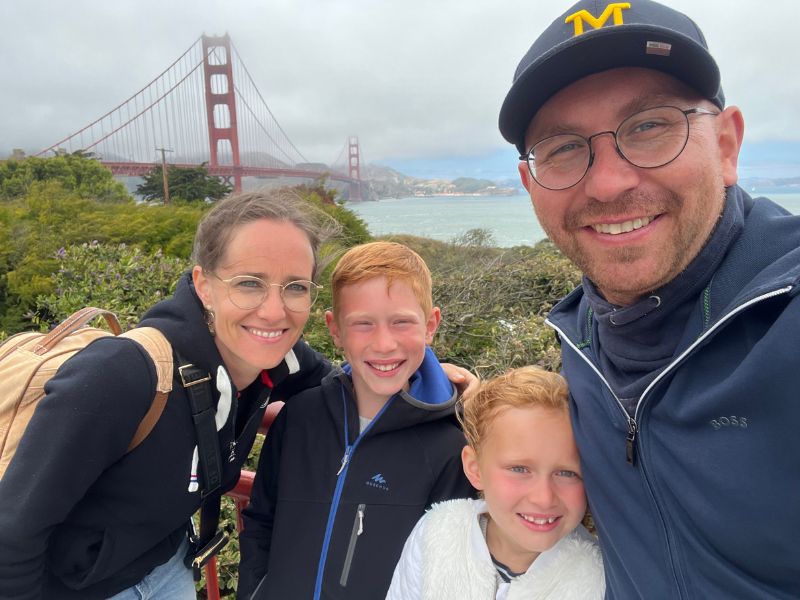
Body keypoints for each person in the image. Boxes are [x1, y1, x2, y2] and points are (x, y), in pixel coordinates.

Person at [0, 192, 476, 600]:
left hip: (166, 567)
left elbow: (363, 380)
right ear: (203, 285)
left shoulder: (284, 361)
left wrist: (449, 388)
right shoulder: (123, 375)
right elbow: (11, 535)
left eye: (295, 287)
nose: (273, 311)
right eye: (249, 283)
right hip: (75, 588)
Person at [498, 0, 800, 598]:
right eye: (562, 147)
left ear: (726, 145)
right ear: (531, 184)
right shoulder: (579, 335)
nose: (609, 183)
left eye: (649, 126)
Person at [237, 241, 475, 600]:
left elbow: (445, 572)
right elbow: (261, 521)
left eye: (401, 322)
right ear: (335, 330)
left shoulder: (449, 446)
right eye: (363, 324)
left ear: (430, 325)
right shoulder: (299, 417)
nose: (384, 344)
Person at [386, 366, 604, 600]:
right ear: (475, 468)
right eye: (519, 469)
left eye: (567, 473)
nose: (543, 498)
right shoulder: (435, 534)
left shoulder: (600, 579)